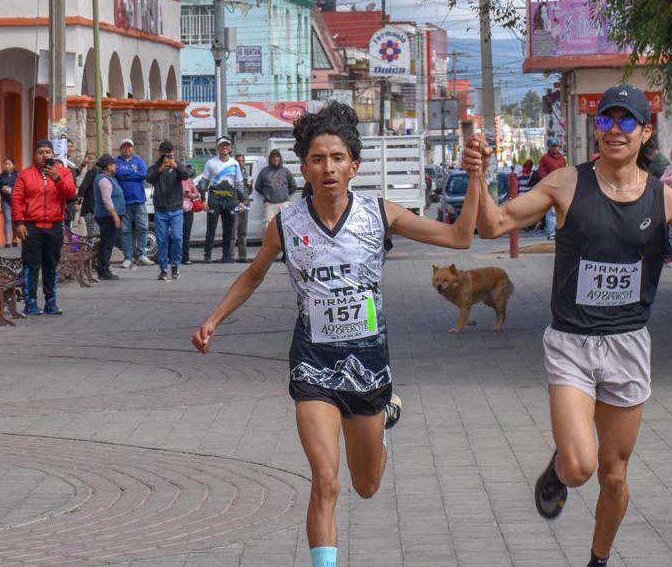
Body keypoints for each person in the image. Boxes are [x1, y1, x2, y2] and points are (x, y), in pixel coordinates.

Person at [192, 102, 478, 567]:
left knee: (366, 486)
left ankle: (383, 419)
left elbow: (460, 238)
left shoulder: (380, 215)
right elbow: (253, 276)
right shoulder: (285, 225)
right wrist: (214, 319)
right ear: (303, 166)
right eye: (318, 159)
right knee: (326, 479)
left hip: (368, 366)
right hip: (313, 365)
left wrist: (478, 178)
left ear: (354, 166)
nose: (328, 167)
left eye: (338, 158)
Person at [462, 85, 672, 567]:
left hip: (628, 344)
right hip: (571, 341)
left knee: (613, 474)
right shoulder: (567, 183)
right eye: (606, 121)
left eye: (626, 122)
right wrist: (479, 177)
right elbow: (493, 225)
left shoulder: (664, 199)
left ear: (645, 132)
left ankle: (598, 561)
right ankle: (561, 467)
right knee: (582, 465)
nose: (614, 131)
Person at [12, 140, 76, 316]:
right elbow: (17, 199)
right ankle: (30, 302)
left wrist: (57, 178)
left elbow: (70, 193)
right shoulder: (25, 175)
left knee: (51, 265)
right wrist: (19, 223)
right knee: (31, 265)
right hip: (32, 227)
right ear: (35, 155)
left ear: (53, 154)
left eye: (48, 152)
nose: (45, 155)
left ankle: (51, 301)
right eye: (41, 152)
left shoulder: (64, 172)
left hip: (54, 226)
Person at [147, 142, 192, 280]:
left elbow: (186, 175)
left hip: (176, 208)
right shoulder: (155, 167)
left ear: (172, 151)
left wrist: (176, 166)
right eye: (164, 151)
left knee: (177, 237)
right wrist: (160, 169)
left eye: (169, 151)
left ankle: (175, 265)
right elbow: (149, 178)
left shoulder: (177, 164)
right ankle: (163, 268)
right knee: (162, 240)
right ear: (159, 152)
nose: (166, 153)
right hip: (161, 209)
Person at [198, 136, 245, 264]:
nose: (225, 147)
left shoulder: (235, 164)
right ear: (218, 148)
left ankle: (227, 256)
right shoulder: (210, 162)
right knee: (211, 229)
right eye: (222, 145)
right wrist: (203, 200)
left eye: (227, 145)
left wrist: (241, 201)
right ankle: (207, 256)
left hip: (230, 200)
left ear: (230, 148)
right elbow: (203, 183)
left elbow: (239, 183)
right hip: (214, 199)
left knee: (229, 230)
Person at [112, 138, 151, 269]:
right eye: (124, 146)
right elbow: (117, 173)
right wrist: (133, 172)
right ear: (120, 148)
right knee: (125, 230)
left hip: (139, 199)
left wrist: (125, 174)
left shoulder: (139, 160)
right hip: (123, 201)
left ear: (133, 148)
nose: (127, 149)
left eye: (129, 146)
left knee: (143, 227)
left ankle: (142, 255)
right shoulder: (116, 161)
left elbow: (143, 174)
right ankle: (128, 257)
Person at [91, 155, 122, 281]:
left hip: (108, 216)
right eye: (114, 164)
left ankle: (104, 268)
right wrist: (115, 215)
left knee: (108, 241)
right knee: (107, 243)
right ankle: (104, 270)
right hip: (106, 216)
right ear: (109, 166)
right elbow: (106, 199)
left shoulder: (109, 178)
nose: (116, 167)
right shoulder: (104, 179)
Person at [255, 150, 298, 226]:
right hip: (269, 205)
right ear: (270, 159)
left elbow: (293, 186)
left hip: (284, 204)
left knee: (286, 224)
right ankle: (270, 238)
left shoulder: (286, 171)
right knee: (268, 225)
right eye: (273, 157)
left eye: (277, 157)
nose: (275, 159)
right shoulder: (264, 171)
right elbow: (257, 187)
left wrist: (284, 194)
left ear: (280, 158)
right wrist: (267, 194)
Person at [0, 157, 18, 242]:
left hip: (16, 201)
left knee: (15, 220)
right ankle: (7, 241)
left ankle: (15, 238)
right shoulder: (1, 176)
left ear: (13, 166)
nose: (7, 166)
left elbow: (22, 187)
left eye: (9, 164)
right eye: (6, 164)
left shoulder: (18, 175)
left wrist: (13, 190)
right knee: (8, 219)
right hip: (5, 201)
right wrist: (2, 190)